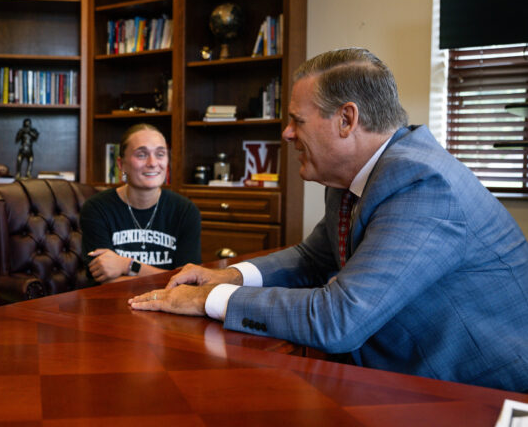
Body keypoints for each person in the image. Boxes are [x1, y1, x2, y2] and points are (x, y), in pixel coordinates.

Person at [129, 48, 528, 392]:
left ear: (346, 120)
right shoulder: (351, 178)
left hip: (474, 391)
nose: (287, 134)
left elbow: (339, 319)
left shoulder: (421, 183)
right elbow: (314, 258)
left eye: (297, 121)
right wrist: (230, 277)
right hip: (394, 373)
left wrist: (207, 300)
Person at [81, 123, 202, 282]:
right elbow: (104, 280)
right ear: (121, 165)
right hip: (114, 298)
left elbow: (189, 281)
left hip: (169, 299)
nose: (152, 163)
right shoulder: (97, 208)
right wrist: (171, 280)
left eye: (160, 154)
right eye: (141, 155)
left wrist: (127, 265)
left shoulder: (185, 211)